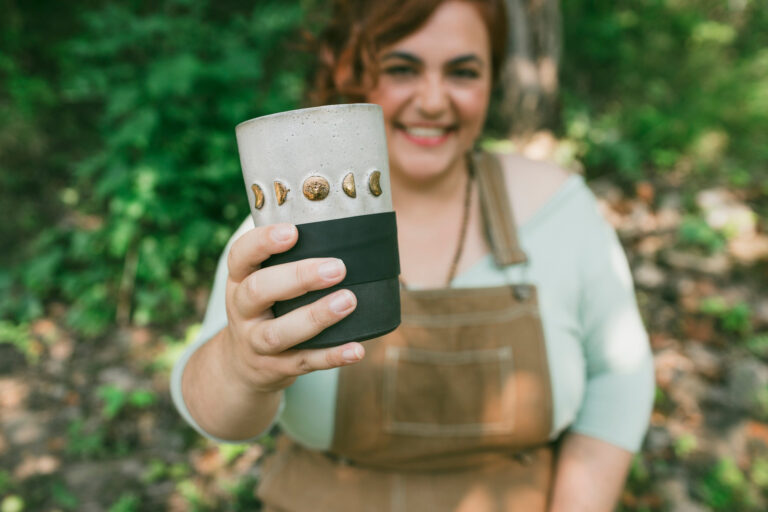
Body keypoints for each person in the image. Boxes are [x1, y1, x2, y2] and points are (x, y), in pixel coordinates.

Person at [171, 0, 655, 510]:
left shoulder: (559, 209)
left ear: (492, 81)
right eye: (402, 68)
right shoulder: (284, 228)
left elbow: (619, 378)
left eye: (463, 72)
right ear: (353, 72)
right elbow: (212, 413)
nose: (432, 100)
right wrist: (241, 365)